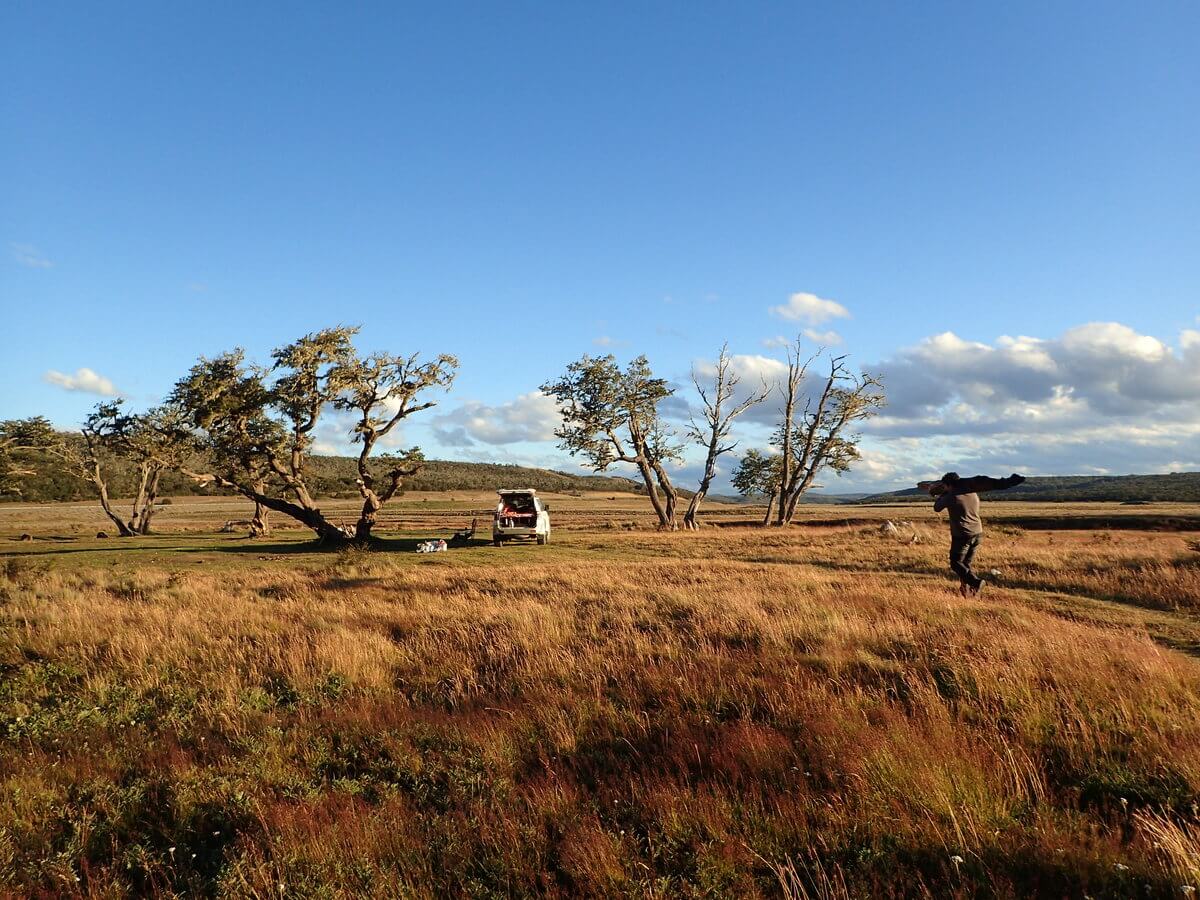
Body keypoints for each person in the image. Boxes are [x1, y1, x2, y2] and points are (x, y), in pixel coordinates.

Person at [930, 472, 1025, 596]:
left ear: (948, 485)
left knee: (956, 563)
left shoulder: (952, 496)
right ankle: (967, 591)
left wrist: (942, 493)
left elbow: (937, 507)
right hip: (977, 533)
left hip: (962, 535)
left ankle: (976, 582)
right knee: (965, 565)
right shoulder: (971, 492)